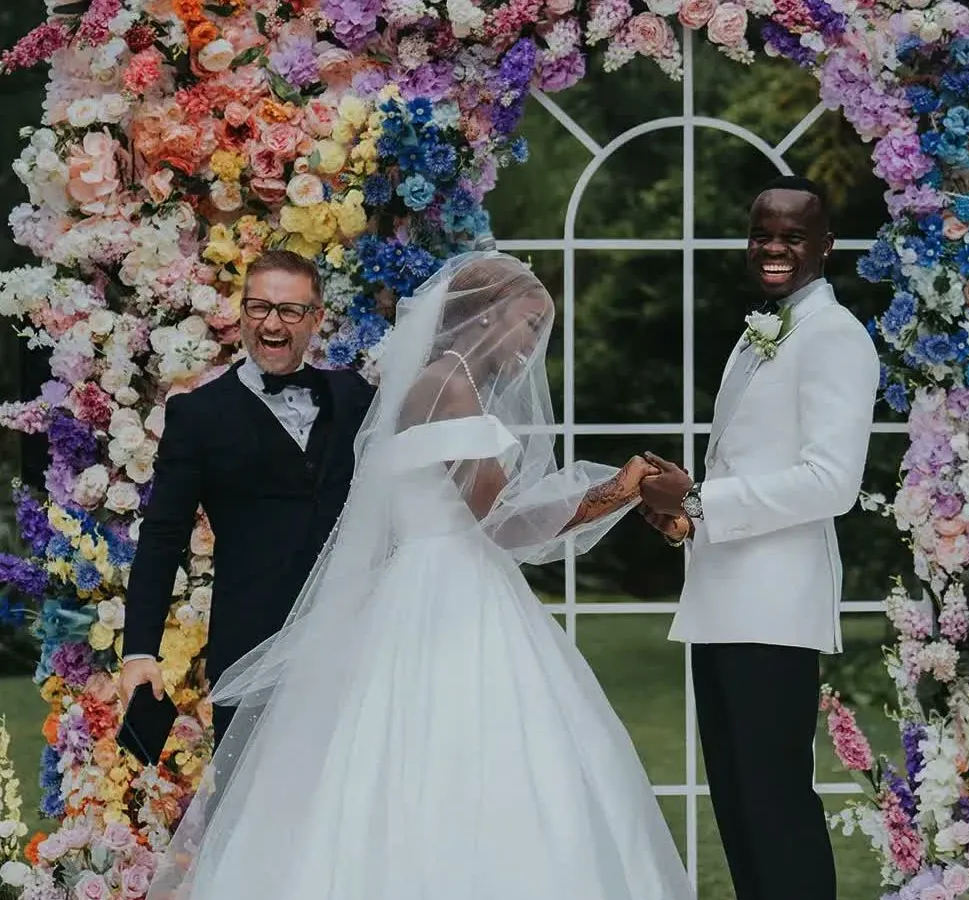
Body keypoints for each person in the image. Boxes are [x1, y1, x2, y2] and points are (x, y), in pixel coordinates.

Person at [146, 252, 694, 900]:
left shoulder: (436, 384)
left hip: (444, 586)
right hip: (448, 598)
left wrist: (615, 492)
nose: (528, 349)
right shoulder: (449, 386)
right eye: (525, 327)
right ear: (483, 317)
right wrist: (619, 490)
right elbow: (502, 522)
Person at [638, 175, 880, 900]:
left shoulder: (834, 336)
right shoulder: (767, 330)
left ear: (824, 247)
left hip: (773, 611)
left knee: (774, 807)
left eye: (791, 236)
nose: (772, 248)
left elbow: (831, 482)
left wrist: (704, 499)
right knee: (740, 808)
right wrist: (684, 509)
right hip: (724, 604)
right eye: (761, 234)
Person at [120, 250, 376, 745]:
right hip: (251, 655)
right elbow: (163, 536)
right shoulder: (197, 416)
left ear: (315, 319)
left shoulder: (353, 397)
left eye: (289, 310)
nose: (271, 323)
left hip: (353, 645)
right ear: (242, 314)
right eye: (258, 307)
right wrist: (139, 653)